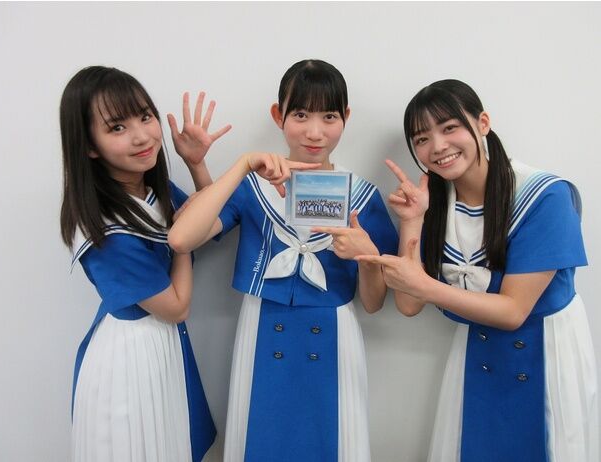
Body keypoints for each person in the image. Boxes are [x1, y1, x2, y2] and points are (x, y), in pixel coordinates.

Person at [168, 59, 398, 461]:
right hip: (262, 331)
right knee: (262, 438)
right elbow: (184, 237)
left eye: (329, 116)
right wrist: (216, 164)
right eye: (301, 114)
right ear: (279, 116)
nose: (314, 131)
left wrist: (366, 257)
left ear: (346, 117)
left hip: (334, 337)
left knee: (330, 442)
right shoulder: (253, 186)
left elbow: (375, 303)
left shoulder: (362, 197)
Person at [357, 79, 599, 462]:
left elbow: (513, 311)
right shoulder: (436, 203)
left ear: (482, 123)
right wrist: (412, 220)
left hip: (547, 352)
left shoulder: (545, 195)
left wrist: (425, 286)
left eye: (449, 127)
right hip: (477, 352)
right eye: (422, 139)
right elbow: (408, 303)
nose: (438, 146)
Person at [59, 65, 231, 461]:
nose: (141, 136)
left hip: (160, 347)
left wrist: (196, 164)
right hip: (129, 358)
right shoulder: (103, 227)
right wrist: (180, 240)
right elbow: (176, 307)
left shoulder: (149, 191)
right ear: (89, 145)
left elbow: (207, 223)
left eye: (145, 116)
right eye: (117, 127)